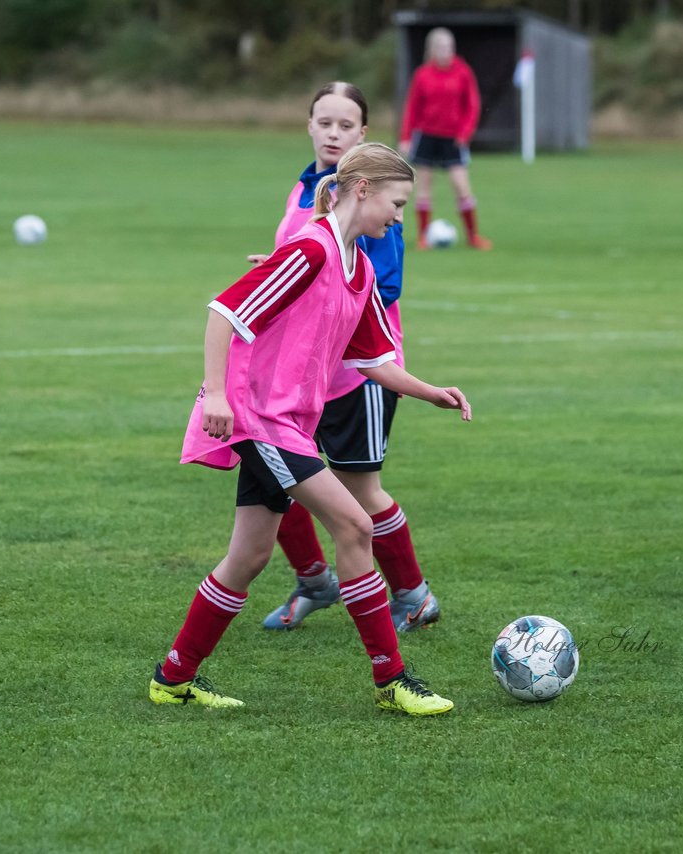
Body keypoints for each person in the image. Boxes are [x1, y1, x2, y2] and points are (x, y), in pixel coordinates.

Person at [149, 143, 471, 715]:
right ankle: (392, 681)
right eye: (397, 204)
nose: (400, 216)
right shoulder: (309, 251)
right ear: (363, 188)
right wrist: (218, 394)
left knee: (247, 557)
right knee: (353, 523)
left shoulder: (361, 266)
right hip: (260, 420)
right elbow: (224, 312)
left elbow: (371, 360)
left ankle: (173, 677)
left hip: (292, 425)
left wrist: (433, 393)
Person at [246, 82, 443, 634]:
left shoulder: (374, 205)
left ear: (363, 134)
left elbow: (373, 290)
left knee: (360, 490)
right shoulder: (306, 188)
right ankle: (314, 581)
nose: (333, 133)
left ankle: (413, 594)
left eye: (346, 125)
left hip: (360, 375)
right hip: (296, 370)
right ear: (308, 125)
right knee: (271, 470)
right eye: (324, 121)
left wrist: (305, 282)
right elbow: (308, 257)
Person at [399, 27, 492, 251]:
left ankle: (473, 236)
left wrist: (465, 133)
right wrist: (406, 137)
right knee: (424, 187)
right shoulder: (422, 74)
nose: (445, 51)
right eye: (440, 47)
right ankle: (423, 236)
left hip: (453, 138)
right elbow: (412, 107)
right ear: (432, 50)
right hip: (426, 135)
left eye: (449, 47)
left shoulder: (463, 72)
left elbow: (472, 105)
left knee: (461, 186)